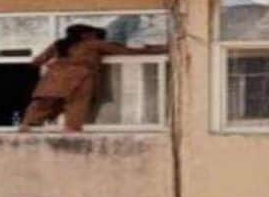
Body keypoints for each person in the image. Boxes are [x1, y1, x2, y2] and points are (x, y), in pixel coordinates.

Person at [19, 23, 168, 133]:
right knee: (75, 109)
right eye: (95, 34)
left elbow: (36, 62)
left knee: (40, 107)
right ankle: (71, 135)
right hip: (80, 78)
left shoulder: (58, 45)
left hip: (52, 79)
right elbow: (127, 51)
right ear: (86, 35)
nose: (98, 36)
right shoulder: (92, 44)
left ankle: (26, 130)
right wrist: (161, 49)